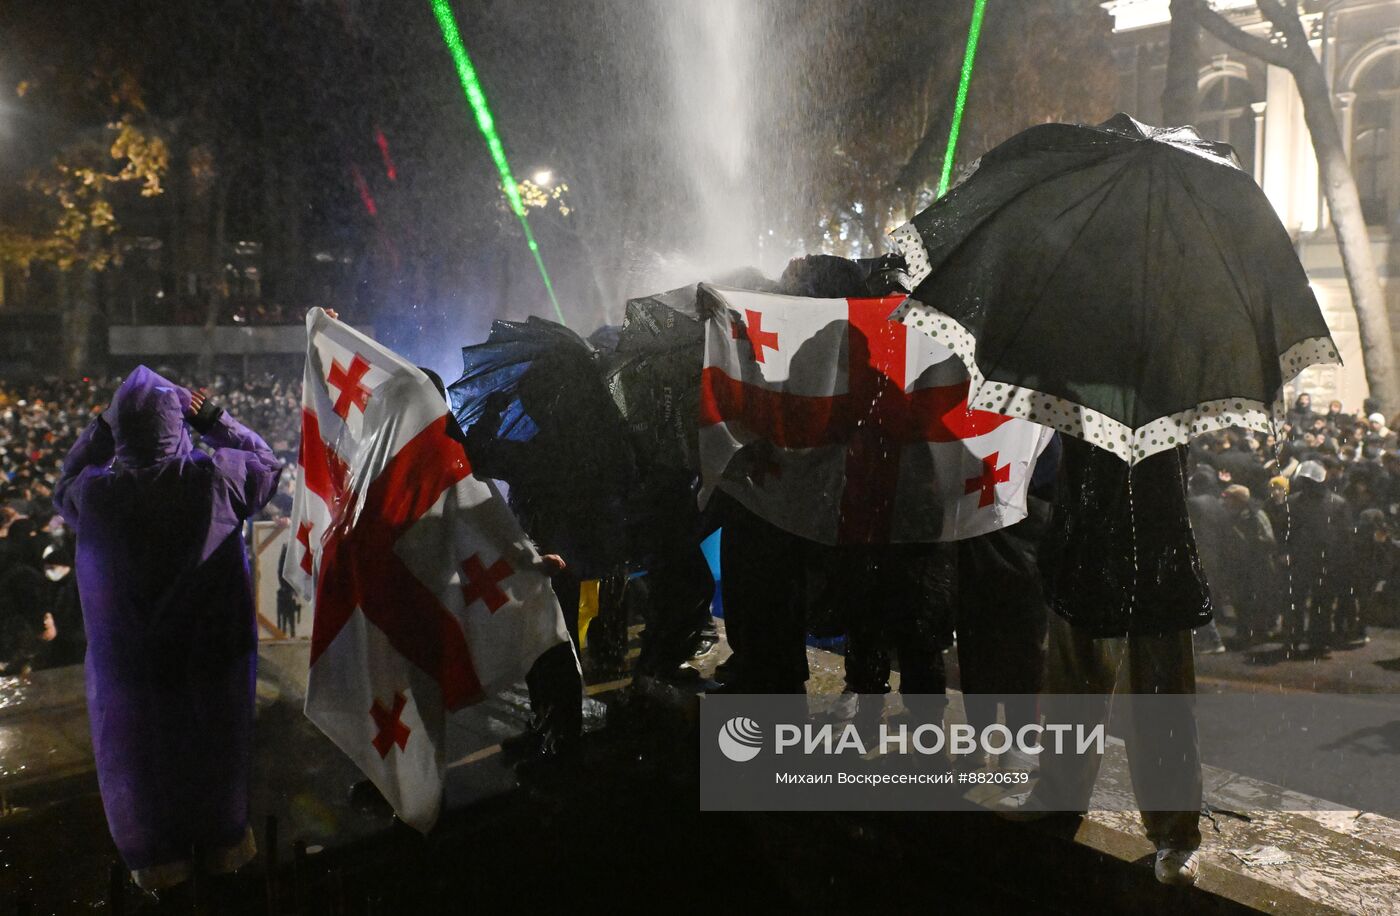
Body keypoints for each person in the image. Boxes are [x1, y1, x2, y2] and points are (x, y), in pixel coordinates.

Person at [53, 366, 281, 891]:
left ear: (122, 429)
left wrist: (101, 434)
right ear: (178, 423)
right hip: (209, 663)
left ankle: (159, 864)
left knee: (144, 762)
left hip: (137, 676)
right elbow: (268, 463)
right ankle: (224, 852)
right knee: (214, 753)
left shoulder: (97, 495)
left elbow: (63, 484)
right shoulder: (218, 478)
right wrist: (216, 420)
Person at [1007, 438, 1209, 887]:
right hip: (1083, 544)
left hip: (1156, 553)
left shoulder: (1166, 383)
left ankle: (1175, 833)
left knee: (1160, 698)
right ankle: (1061, 791)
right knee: (1071, 686)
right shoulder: (1079, 380)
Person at [1284, 460, 1353, 654]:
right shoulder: (1336, 503)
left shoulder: (1295, 502)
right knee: (1316, 603)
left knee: (1305, 602)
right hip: (1317, 560)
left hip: (1313, 560)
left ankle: (1302, 639)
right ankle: (1313, 640)